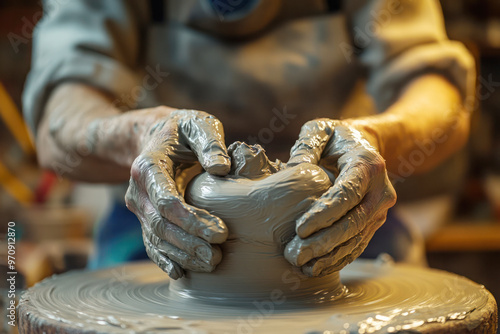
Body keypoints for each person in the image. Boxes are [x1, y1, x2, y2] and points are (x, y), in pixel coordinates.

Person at [24, 0, 475, 279]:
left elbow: (432, 84)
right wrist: (143, 134)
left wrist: (375, 137)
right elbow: (60, 118)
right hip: (165, 212)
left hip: (334, 211)